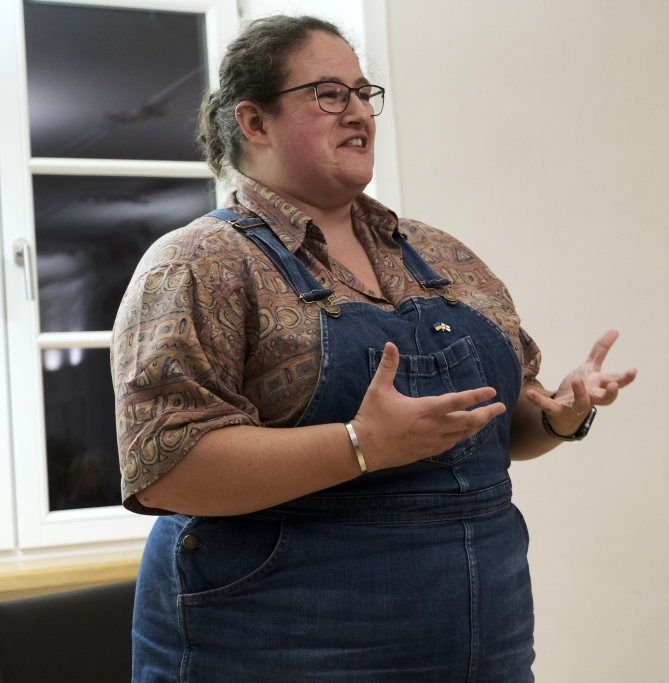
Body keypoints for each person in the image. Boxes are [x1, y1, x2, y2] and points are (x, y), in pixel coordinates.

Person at [111, 15, 636, 682]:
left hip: (483, 641)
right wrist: (360, 444)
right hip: (279, 647)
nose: (359, 111)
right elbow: (166, 469)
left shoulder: (443, 255)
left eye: (364, 93)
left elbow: (496, 433)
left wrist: (558, 414)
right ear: (255, 122)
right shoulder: (199, 262)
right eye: (330, 94)